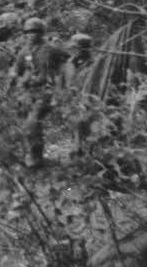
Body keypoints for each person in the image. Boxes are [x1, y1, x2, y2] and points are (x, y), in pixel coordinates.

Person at [10, 17, 67, 169]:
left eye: (34, 31)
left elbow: (68, 62)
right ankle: (35, 156)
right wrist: (14, 79)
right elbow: (16, 69)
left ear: (41, 33)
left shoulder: (51, 50)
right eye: (27, 32)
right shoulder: (24, 51)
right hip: (28, 92)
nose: (30, 35)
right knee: (27, 125)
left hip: (46, 91)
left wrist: (60, 89)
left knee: (32, 123)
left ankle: (35, 158)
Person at [61, 33, 95, 156]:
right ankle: (76, 147)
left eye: (76, 48)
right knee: (74, 125)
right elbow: (64, 82)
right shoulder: (69, 64)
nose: (73, 51)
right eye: (72, 48)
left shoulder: (95, 64)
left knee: (84, 125)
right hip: (72, 99)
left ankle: (82, 150)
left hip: (89, 99)